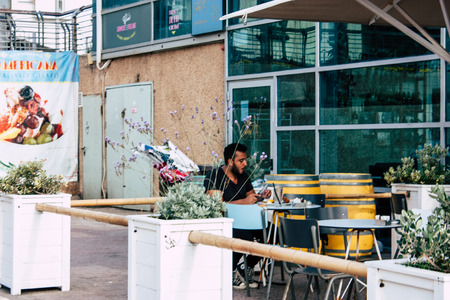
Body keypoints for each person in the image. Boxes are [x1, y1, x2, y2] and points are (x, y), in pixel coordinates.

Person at [204, 143, 270, 290]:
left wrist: (260, 197)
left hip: (247, 221)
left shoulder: (243, 177)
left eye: (245, 160)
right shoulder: (215, 176)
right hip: (226, 223)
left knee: (272, 233)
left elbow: (250, 198)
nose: (245, 163)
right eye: (241, 161)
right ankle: (230, 271)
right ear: (230, 161)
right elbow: (217, 206)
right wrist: (244, 202)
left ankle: (245, 267)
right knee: (244, 236)